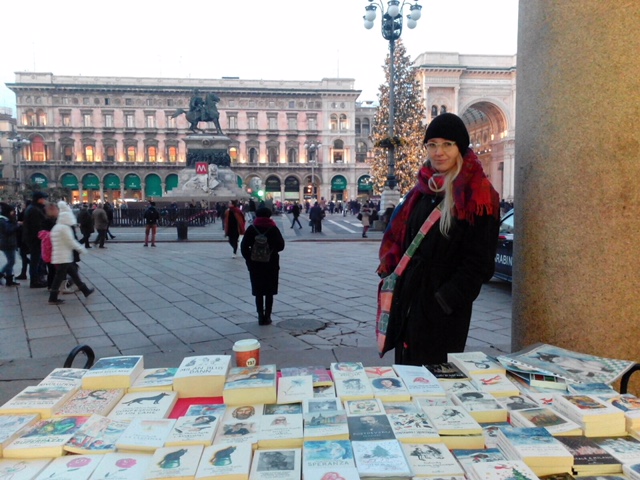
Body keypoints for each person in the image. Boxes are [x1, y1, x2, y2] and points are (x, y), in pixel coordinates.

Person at [377, 113, 500, 366]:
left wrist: (442, 302)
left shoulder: (478, 195)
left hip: (442, 313)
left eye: (447, 144)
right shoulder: (422, 191)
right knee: (407, 373)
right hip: (409, 301)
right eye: (432, 144)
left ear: (460, 148)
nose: (438, 152)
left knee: (435, 381)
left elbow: (480, 265)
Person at [241, 207, 285, 325]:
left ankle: (260, 316)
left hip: (256, 265)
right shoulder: (273, 228)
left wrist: (249, 260)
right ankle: (268, 316)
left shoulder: (251, 229)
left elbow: (244, 247)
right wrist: (271, 250)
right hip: (271, 264)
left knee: (259, 292)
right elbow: (281, 246)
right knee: (269, 292)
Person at [48, 201, 94, 305]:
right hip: (64, 256)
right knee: (60, 277)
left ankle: (85, 290)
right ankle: (53, 297)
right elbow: (71, 241)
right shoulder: (64, 228)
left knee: (73, 274)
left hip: (60, 256)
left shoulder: (57, 227)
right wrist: (81, 249)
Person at [22, 191, 49, 288]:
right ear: (39, 199)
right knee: (35, 260)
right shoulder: (34, 210)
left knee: (37, 260)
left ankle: (38, 279)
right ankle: (35, 280)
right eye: (44, 198)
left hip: (33, 238)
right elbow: (36, 226)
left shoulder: (33, 208)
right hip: (35, 239)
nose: (45, 200)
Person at [0, 203, 21, 286]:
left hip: (9, 242)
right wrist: (17, 225)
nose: (13, 213)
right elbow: (8, 230)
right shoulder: (3, 220)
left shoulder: (5, 219)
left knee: (10, 261)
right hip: (7, 243)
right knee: (11, 262)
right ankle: (1, 274)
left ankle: (9, 279)